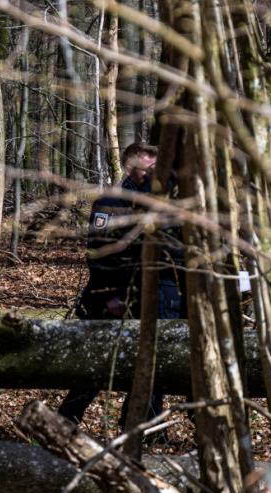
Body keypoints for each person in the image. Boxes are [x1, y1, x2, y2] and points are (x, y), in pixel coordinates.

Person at [59, 142, 186, 426]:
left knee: (157, 360)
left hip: (161, 294)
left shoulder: (166, 200)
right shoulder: (111, 202)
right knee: (105, 361)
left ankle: (142, 424)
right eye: (148, 165)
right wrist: (110, 295)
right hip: (117, 295)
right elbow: (100, 253)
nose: (154, 170)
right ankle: (68, 417)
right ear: (130, 167)